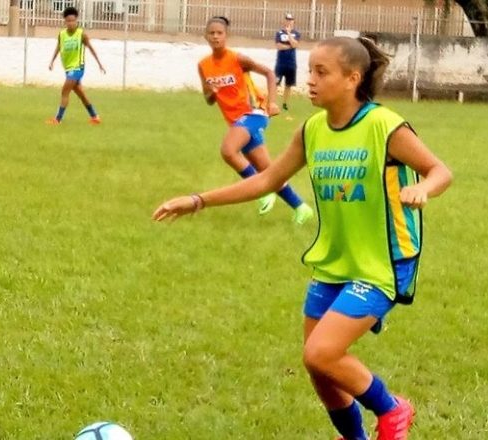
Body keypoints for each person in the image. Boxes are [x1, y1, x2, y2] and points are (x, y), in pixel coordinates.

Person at [154, 36, 453, 440]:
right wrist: (198, 200)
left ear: (352, 78)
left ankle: (392, 407)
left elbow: (440, 170)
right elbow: (265, 181)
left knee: (322, 352)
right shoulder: (312, 131)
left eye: (321, 72)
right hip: (332, 261)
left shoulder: (384, 125)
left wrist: (424, 189)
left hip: (381, 263)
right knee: (318, 367)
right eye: (309, 70)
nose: (309, 80)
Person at [198, 16, 313, 223]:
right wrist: (212, 93)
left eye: (219, 33)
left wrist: (271, 102)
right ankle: (301, 207)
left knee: (228, 150)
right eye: (211, 33)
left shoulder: (237, 59)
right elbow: (208, 99)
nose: (215, 36)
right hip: (236, 121)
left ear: (226, 36)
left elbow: (269, 73)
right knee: (268, 172)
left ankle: (260, 192)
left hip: (253, 113)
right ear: (206, 36)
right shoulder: (204, 66)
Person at [46, 7, 106, 125]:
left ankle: (58, 119)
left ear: (76, 20)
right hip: (68, 69)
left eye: (73, 21)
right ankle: (95, 116)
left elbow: (91, 48)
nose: (71, 23)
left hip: (78, 68)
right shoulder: (62, 34)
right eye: (68, 21)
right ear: (65, 21)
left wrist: (100, 64)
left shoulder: (81, 34)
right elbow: (58, 48)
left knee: (65, 91)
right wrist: (52, 61)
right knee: (81, 94)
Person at [275, 13, 301, 115]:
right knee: (276, 83)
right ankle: (273, 103)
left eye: (291, 20)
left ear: (293, 21)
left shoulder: (296, 33)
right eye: (287, 20)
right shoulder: (279, 33)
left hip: (291, 63)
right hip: (281, 63)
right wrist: (290, 46)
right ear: (284, 21)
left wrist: (289, 34)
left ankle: (285, 104)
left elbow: (295, 44)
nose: (289, 21)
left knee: (288, 85)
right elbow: (279, 46)